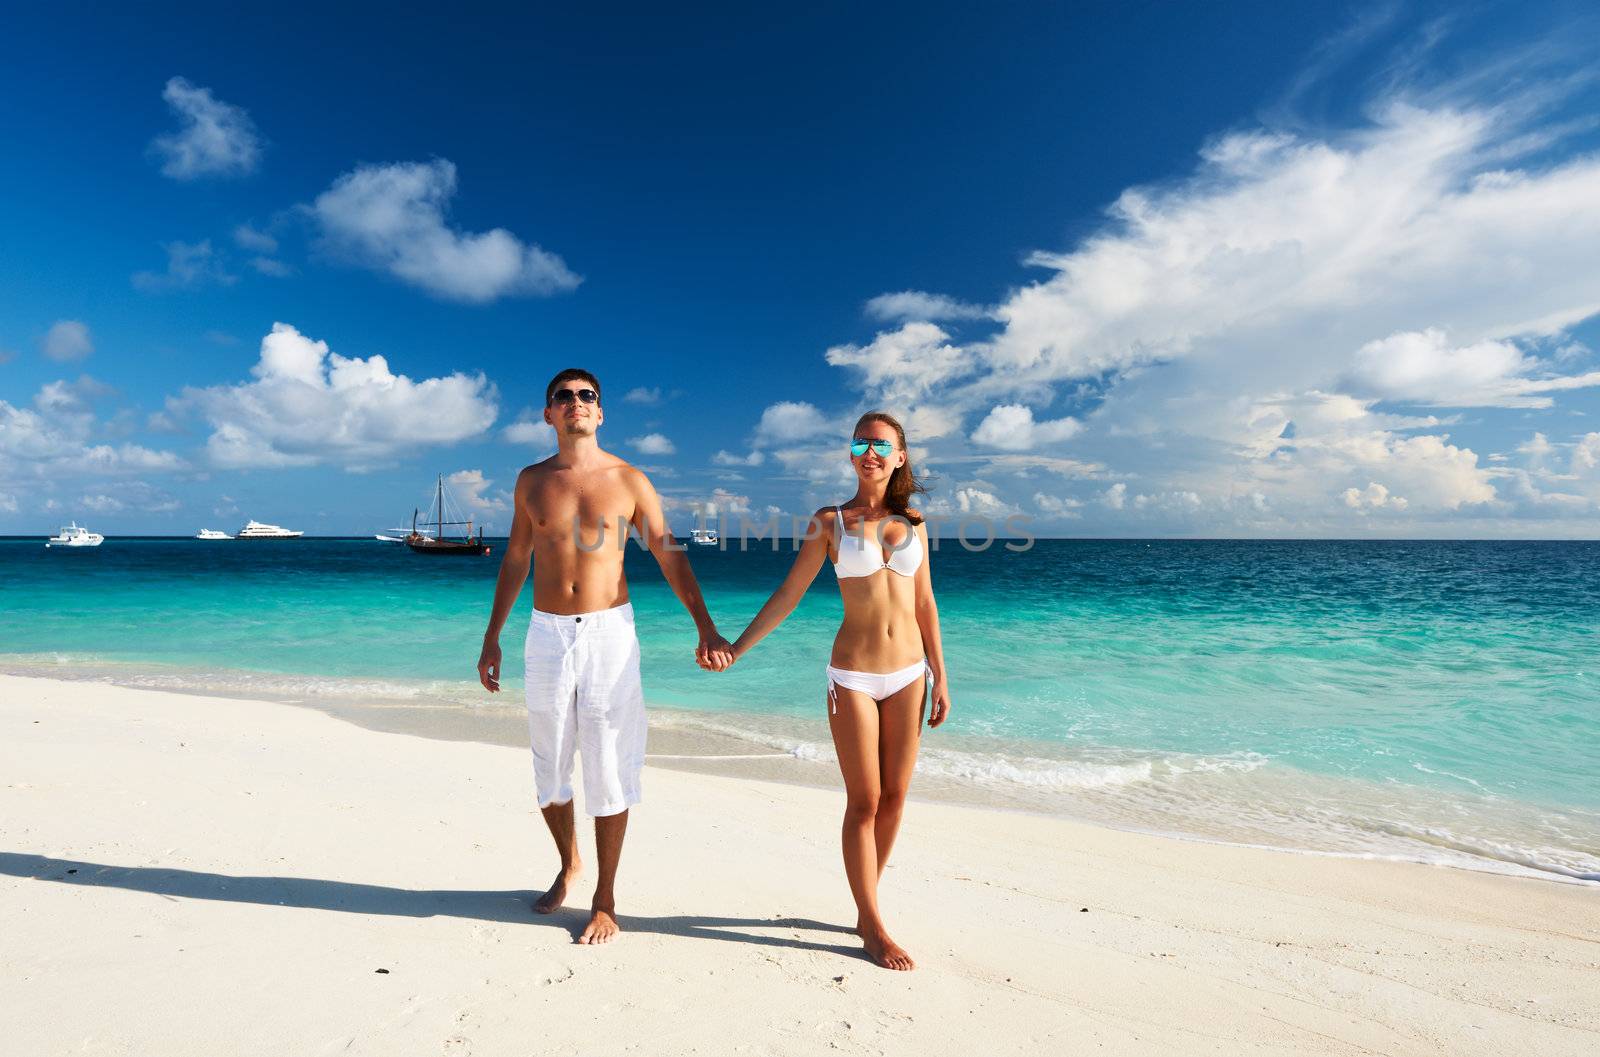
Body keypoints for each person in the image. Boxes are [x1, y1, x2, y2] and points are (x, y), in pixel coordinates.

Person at [478, 368, 733, 945]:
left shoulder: (629, 480)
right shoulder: (531, 482)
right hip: (544, 633)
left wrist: (706, 628)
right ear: (549, 414)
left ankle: (605, 897)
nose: (575, 404)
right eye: (563, 398)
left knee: (609, 760)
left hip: (607, 632)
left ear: (600, 412)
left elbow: (670, 556)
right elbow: (516, 558)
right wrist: (493, 635)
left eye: (586, 397)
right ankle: (570, 863)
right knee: (549, 762)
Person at [715, 411, 951, 970]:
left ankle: (867, 903)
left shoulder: (915, 523)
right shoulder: (831, 523)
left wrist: (942, 674)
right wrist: (736, 648)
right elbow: (788, 595)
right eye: (861, 442)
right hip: (855, 676)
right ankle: (871, 923)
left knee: (895, 796)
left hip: (910, 674)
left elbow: (925, 604)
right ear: (850, 453)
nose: (870, 451)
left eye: (882, 445)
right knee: (864, 799)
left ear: (899, 458)